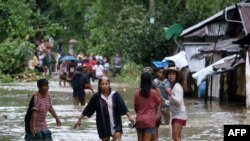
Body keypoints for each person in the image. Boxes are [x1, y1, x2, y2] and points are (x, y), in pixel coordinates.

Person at [74, 76, 134, 141]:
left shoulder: (115, 95)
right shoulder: (96, 97)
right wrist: (79, 120)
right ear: (99, 86)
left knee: (118, 139)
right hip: (102, 124)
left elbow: (123, 106)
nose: (104, 86)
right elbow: (88, 109)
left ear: (109, 84)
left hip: (116, 123)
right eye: (102, 84)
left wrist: (129, 117)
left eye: (106, 84)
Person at [134, 72, 162, 141]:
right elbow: (160, 102)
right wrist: (158, 114)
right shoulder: (153, 92)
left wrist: (139, 113)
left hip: (139, 120)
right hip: (150, 121)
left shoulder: (137, 92)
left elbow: (135, 106)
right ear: (150, 81)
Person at [165, 67, 187, 141]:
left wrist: (170, 94)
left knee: (175, 137)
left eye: (173, 74)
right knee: (177, 137)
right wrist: (163, 101)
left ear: (176, 76)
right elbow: (172, 102)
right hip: (175, 115)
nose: (171, 75)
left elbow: (178, 101)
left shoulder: (177, 86)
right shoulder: (172, 86)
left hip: (180, 115)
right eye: (169, 74)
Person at [153, 67, 171, 140]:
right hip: (156, 106)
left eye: (163, 72)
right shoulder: (153, 82)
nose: (162, 73)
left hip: (165, 106)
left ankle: (163, 137)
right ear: (156, 73)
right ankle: (157, 138)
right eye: (160, 72)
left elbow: (169, 91)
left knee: (166, 124)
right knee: (156, 124)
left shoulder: (167, 81)